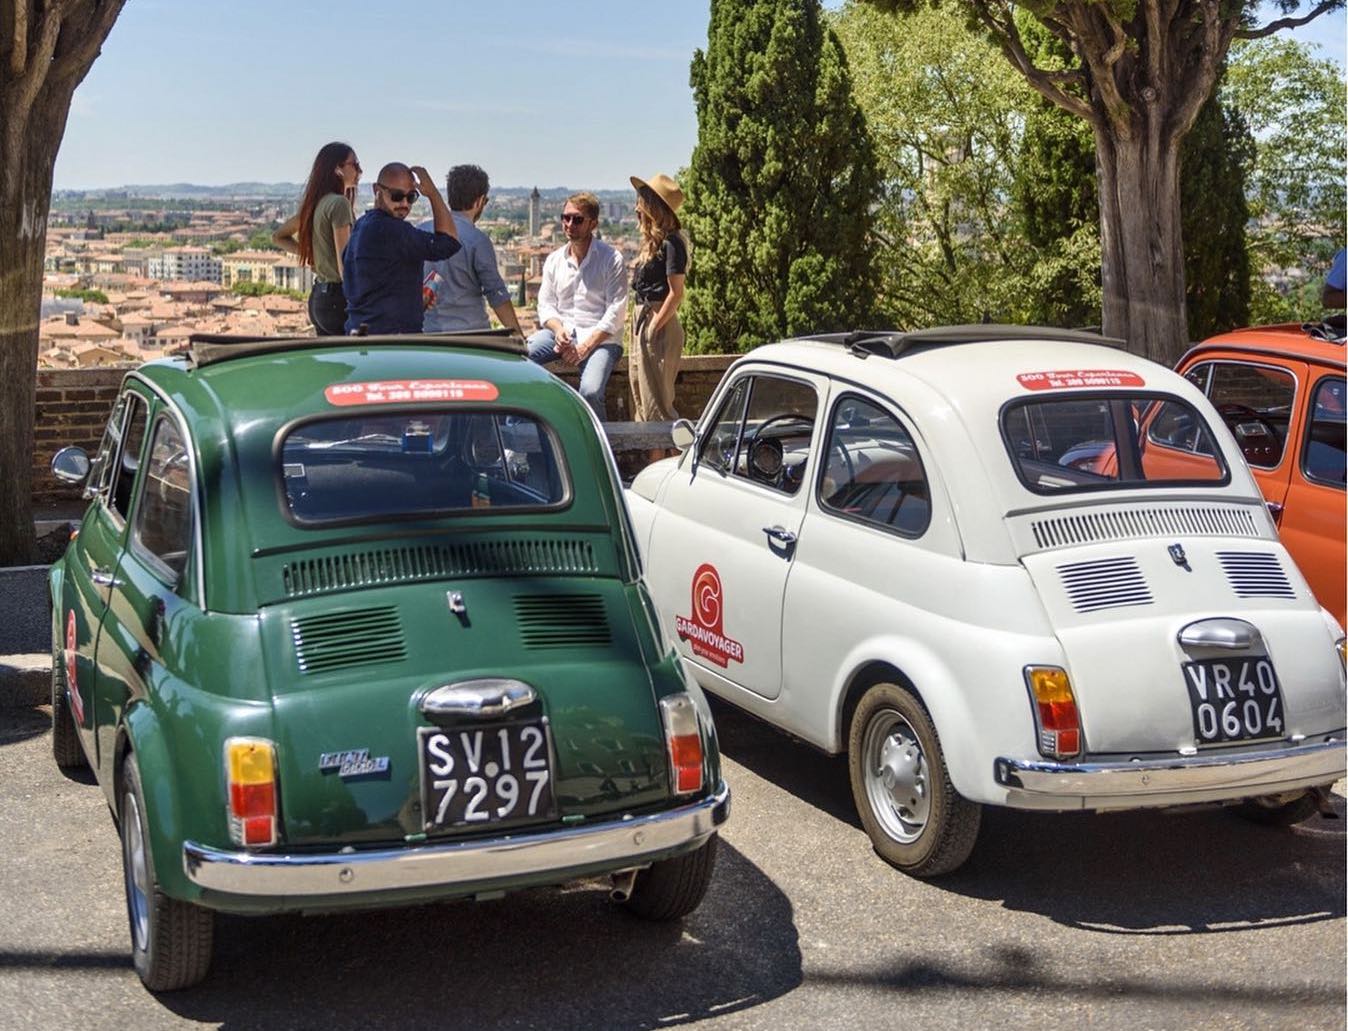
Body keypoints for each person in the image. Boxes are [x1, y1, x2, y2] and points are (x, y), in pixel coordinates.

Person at [527, 192, 626, 420]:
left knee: (590, 392)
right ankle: (518, 440)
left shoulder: (611, 259)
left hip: (602, 340)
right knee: (520, 361)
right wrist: (558, 329)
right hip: (562, 334)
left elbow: (616, 312)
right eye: (566, 218)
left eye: (577, 219)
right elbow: (546, 305)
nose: (569, 224)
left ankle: (596, 449)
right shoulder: (554, 260)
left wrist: (585, 347)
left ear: (593, 223)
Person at [342, 162, 459, 334]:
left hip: (361, 333)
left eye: (411, 197)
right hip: (392, 341)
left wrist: (411, 300)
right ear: (377, 191)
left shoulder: (362, 226)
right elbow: (449, 243)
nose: (404, 203)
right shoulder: (391, 229)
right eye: (397, 196)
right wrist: (433, 194)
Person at [418, 164, 521, 334]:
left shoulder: (421, 230)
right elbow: (497, 295)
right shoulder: (477, 240)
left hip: (426, 333)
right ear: (480, 201)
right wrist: (518, 336)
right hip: (470, 336)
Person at [272, 142, 362, 336]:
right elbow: (345, 266)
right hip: (339, 300)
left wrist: (312, 253)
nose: (360, 171)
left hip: (319, 300)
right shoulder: (339, 204)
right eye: (354, 165)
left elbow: (278, 237)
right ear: (338, 169)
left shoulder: (316, 203)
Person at [628, 173, 689, 422]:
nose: (636, 209)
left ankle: (669, 461)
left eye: (640, 203)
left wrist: (653, 327)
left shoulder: (672, 244)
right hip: (644, 323)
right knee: (643, 403)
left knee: (658, 409)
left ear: (653, 207)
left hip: (658, 326)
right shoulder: (655, 244)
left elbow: (676, 294)